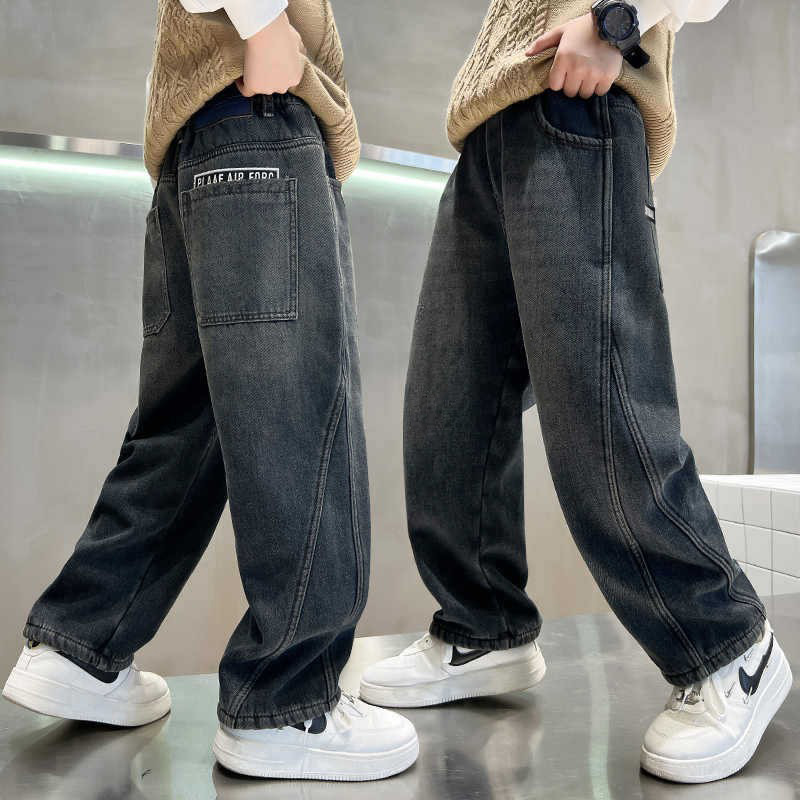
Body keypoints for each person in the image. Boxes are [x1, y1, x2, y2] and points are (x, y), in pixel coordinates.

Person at [359, 0, 792, 784]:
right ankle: (483, 626)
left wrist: (616, 22)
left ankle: (729, 648)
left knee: (603, 411)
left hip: (579, 102)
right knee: (448, 411)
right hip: (489, 129)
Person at [2, 0, 419, 782]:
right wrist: (266, 27)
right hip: (260, 118)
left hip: (197, 138)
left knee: (185, 426)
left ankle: (81, 642)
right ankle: (288, 700)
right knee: (299, 417)